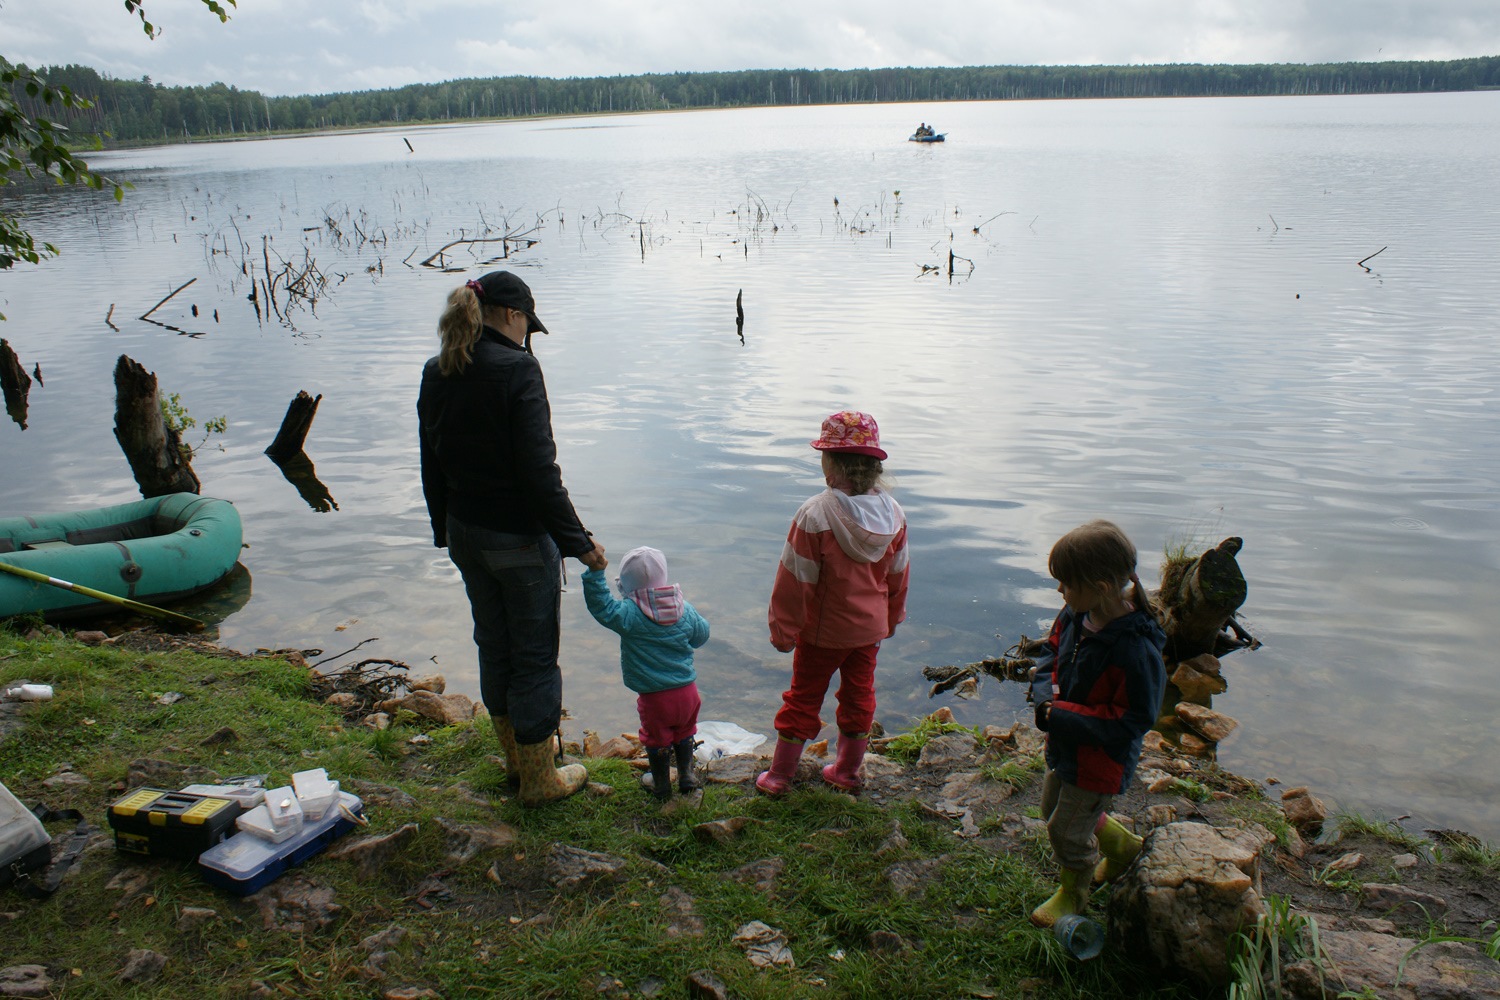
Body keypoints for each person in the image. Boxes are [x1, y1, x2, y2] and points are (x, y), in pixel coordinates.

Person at [417, 270, 608, 807]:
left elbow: (431, 461)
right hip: (520, 542)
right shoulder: (519, 369)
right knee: (534, 657)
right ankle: (541, 780)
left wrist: (442, 530)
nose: (528, 334)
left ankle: (517, 766)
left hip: (465, 535)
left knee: (493, 645)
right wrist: (579, 543)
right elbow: (539, 471)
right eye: (528, 322)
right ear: (510, 315)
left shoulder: (438, 369)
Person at [756, 411, 909, 796]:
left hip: (824, 633)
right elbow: (898, 575)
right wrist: (891, 618)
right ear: (874, 468)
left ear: (830, 465)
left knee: (803, 697)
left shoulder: (815, 514)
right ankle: (846, 772)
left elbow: (795, 578)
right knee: (859, 696)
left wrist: (783, 630)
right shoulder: (894, 515)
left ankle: (779, 776)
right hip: (868, 630)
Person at [1026, 520, 1166, 928]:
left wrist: (1063, 716)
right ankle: (1122, 846)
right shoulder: (1074, 614)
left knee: (1067, 832)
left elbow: (1133, 719)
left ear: (1102, 586)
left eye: (1066, 583)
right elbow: (1050, 655)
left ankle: (1074, 893)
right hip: (1066, 741)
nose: (1060, 591)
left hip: (1100, 761)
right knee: (1051, 807)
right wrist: (1045, 699)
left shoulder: (1135, 650)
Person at [582, 546, 711, 802]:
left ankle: (661, 785)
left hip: (655, 698)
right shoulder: (684, 608)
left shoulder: (629, 613)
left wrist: (595, 575)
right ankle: (687, 777)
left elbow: (602, 608)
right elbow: (701, 635)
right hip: (688, 693)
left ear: (627, 585)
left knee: (657, 739)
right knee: (685, 731)